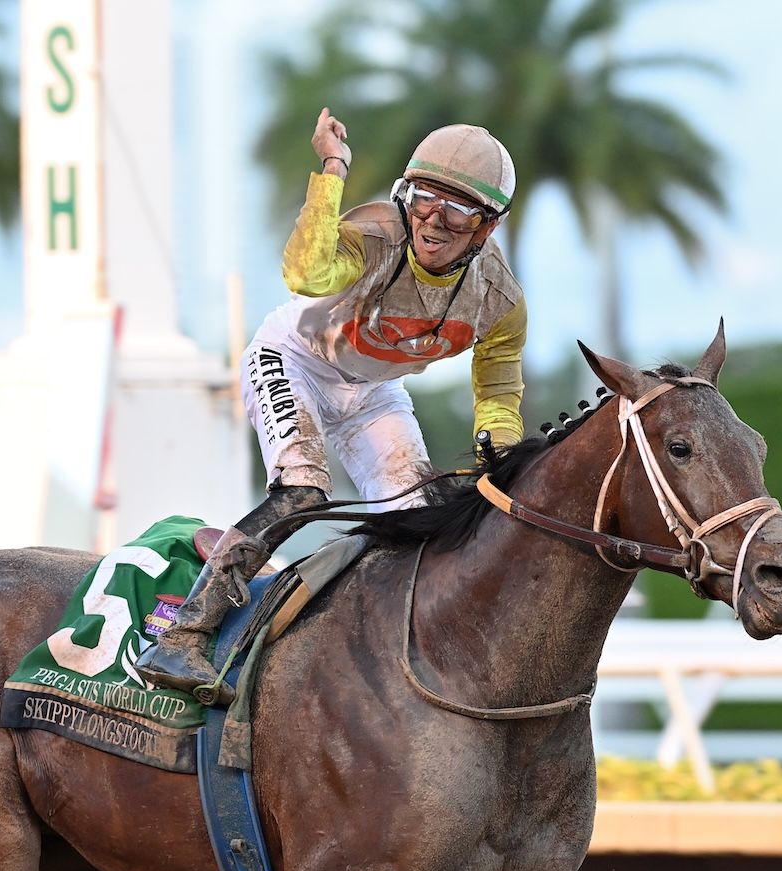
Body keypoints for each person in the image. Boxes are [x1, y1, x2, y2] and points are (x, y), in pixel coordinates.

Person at [137, 107, 527, 699]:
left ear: (487, 228)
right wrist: (332, 168)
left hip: (374, 394)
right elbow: (305, 273)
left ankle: (381, 652)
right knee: (302, 493)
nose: (434, 220)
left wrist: (500, 456)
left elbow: (497, 385)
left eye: (458, 209)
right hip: (294, 360)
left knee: (417, 518)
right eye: (423, 198)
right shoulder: (375, 233)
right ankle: (185, 634)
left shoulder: (500, 299)